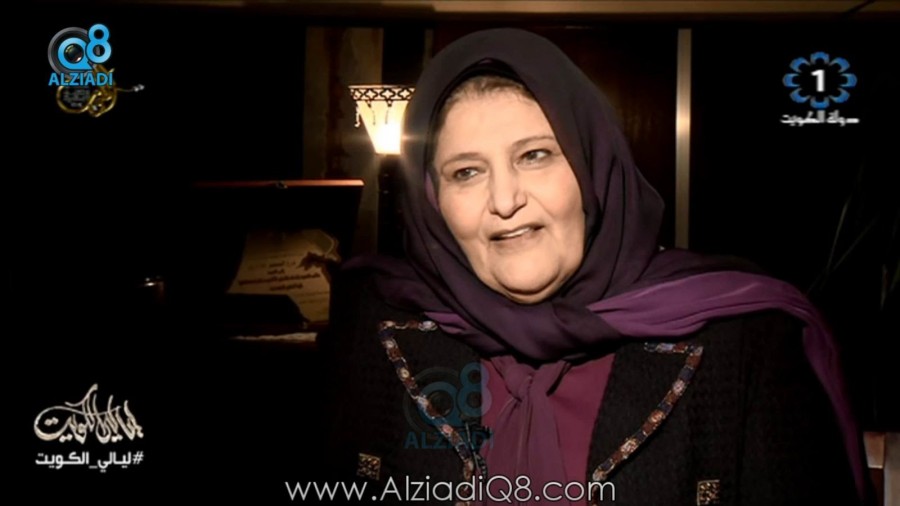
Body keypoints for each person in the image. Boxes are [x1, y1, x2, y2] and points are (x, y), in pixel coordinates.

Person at [319, 28, 867, 505]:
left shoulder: (744, 338)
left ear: (593, 170)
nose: (505, 200)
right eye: (466, 172)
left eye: (535, 155)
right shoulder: (376, 323)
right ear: (432, 202)